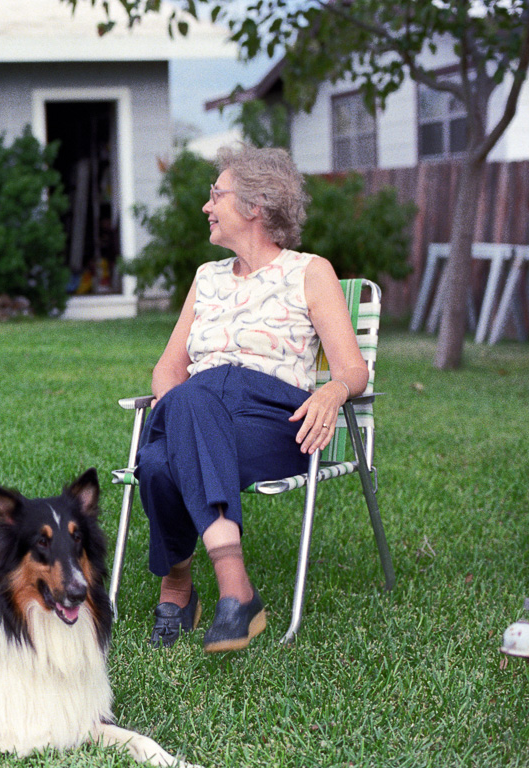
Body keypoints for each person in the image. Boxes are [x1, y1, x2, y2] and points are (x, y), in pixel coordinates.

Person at [137, 144, 368, 653]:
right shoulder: (207, 277)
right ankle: (230, 590)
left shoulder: (309, 271)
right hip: (203, 408)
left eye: (216, 194)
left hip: (274, 418)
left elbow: (353, 367)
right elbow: (167, 370)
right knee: (162, 451)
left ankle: (179, 589)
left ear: (255, 206)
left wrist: (332, 389)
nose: (207, 205)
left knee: (161, 451)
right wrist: (177, 405)